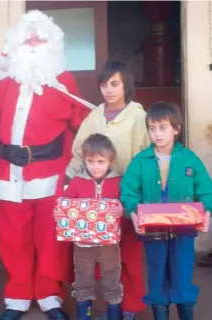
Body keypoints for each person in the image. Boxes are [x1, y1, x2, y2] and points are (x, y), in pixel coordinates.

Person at [0, 10, 93, 320]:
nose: (33, 43)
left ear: (53, 45)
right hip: (10, 172)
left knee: (50, 239)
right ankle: (17, 297)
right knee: (13, 237)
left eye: (40, 38)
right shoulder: (2, 82)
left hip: (50, 172)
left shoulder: (64, 81)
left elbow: (82, 124)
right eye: (27, 38)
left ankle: (49, 295)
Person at [66, 60, 149, 319]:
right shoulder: (95, 115)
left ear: (126, 85)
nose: (109, 90)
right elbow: (79, 151)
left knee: (130, 256)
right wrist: (69, 181)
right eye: (104, 85)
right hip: (94, 198)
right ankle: (105, 305)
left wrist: (138, 196)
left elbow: (146, 156)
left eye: (115, 84)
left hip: (127, 192)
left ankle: (130, 308)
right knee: (99, 257)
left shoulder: (138, 116)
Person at [120, 102, 212, 320]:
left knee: (182, 278)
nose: (157, 134)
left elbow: (207, 191)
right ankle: (160, 314)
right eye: (152, 128)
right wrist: (133, 213)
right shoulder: (140, 161)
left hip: (184, 233)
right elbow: (128, 192)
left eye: (163, 128)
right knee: (156, 279)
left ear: (176, 129)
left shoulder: (189, 159)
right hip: (153, 232)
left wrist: (207, 213)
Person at [57, 134, 124, 320]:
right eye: (90, 161)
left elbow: (126, 203)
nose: (95, 166)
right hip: (82, 245)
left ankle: (114, 316)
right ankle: (84, 316)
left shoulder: (118, 181)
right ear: (84, 160)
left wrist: (122, 209)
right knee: (83, 281)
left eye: (101, 161)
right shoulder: (77, 182)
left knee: (112, 280)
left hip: (109, 245)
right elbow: (65, 203)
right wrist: (59, 213)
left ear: (110, 160)